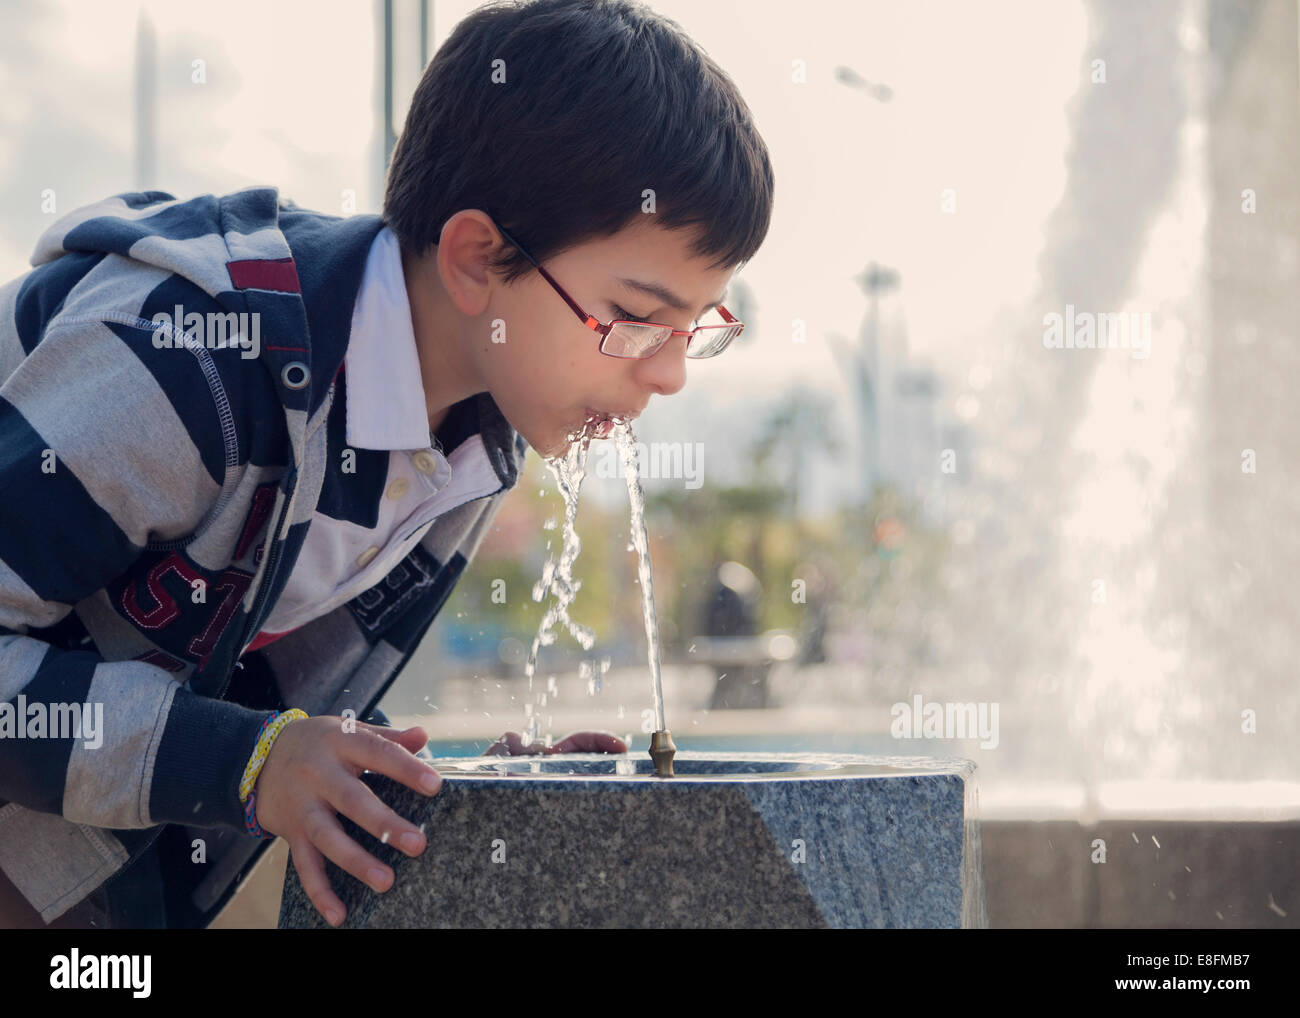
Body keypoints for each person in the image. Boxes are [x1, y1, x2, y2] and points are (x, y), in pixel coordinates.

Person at [0, 0, 773, 929]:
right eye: (639, 319)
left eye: (696, 327)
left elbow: (252, 705)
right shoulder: (192, 359)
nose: (671, 373)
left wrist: (465, 798)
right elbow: (240, 748)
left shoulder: (470, 442)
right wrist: (246, 763)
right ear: (476, 258)